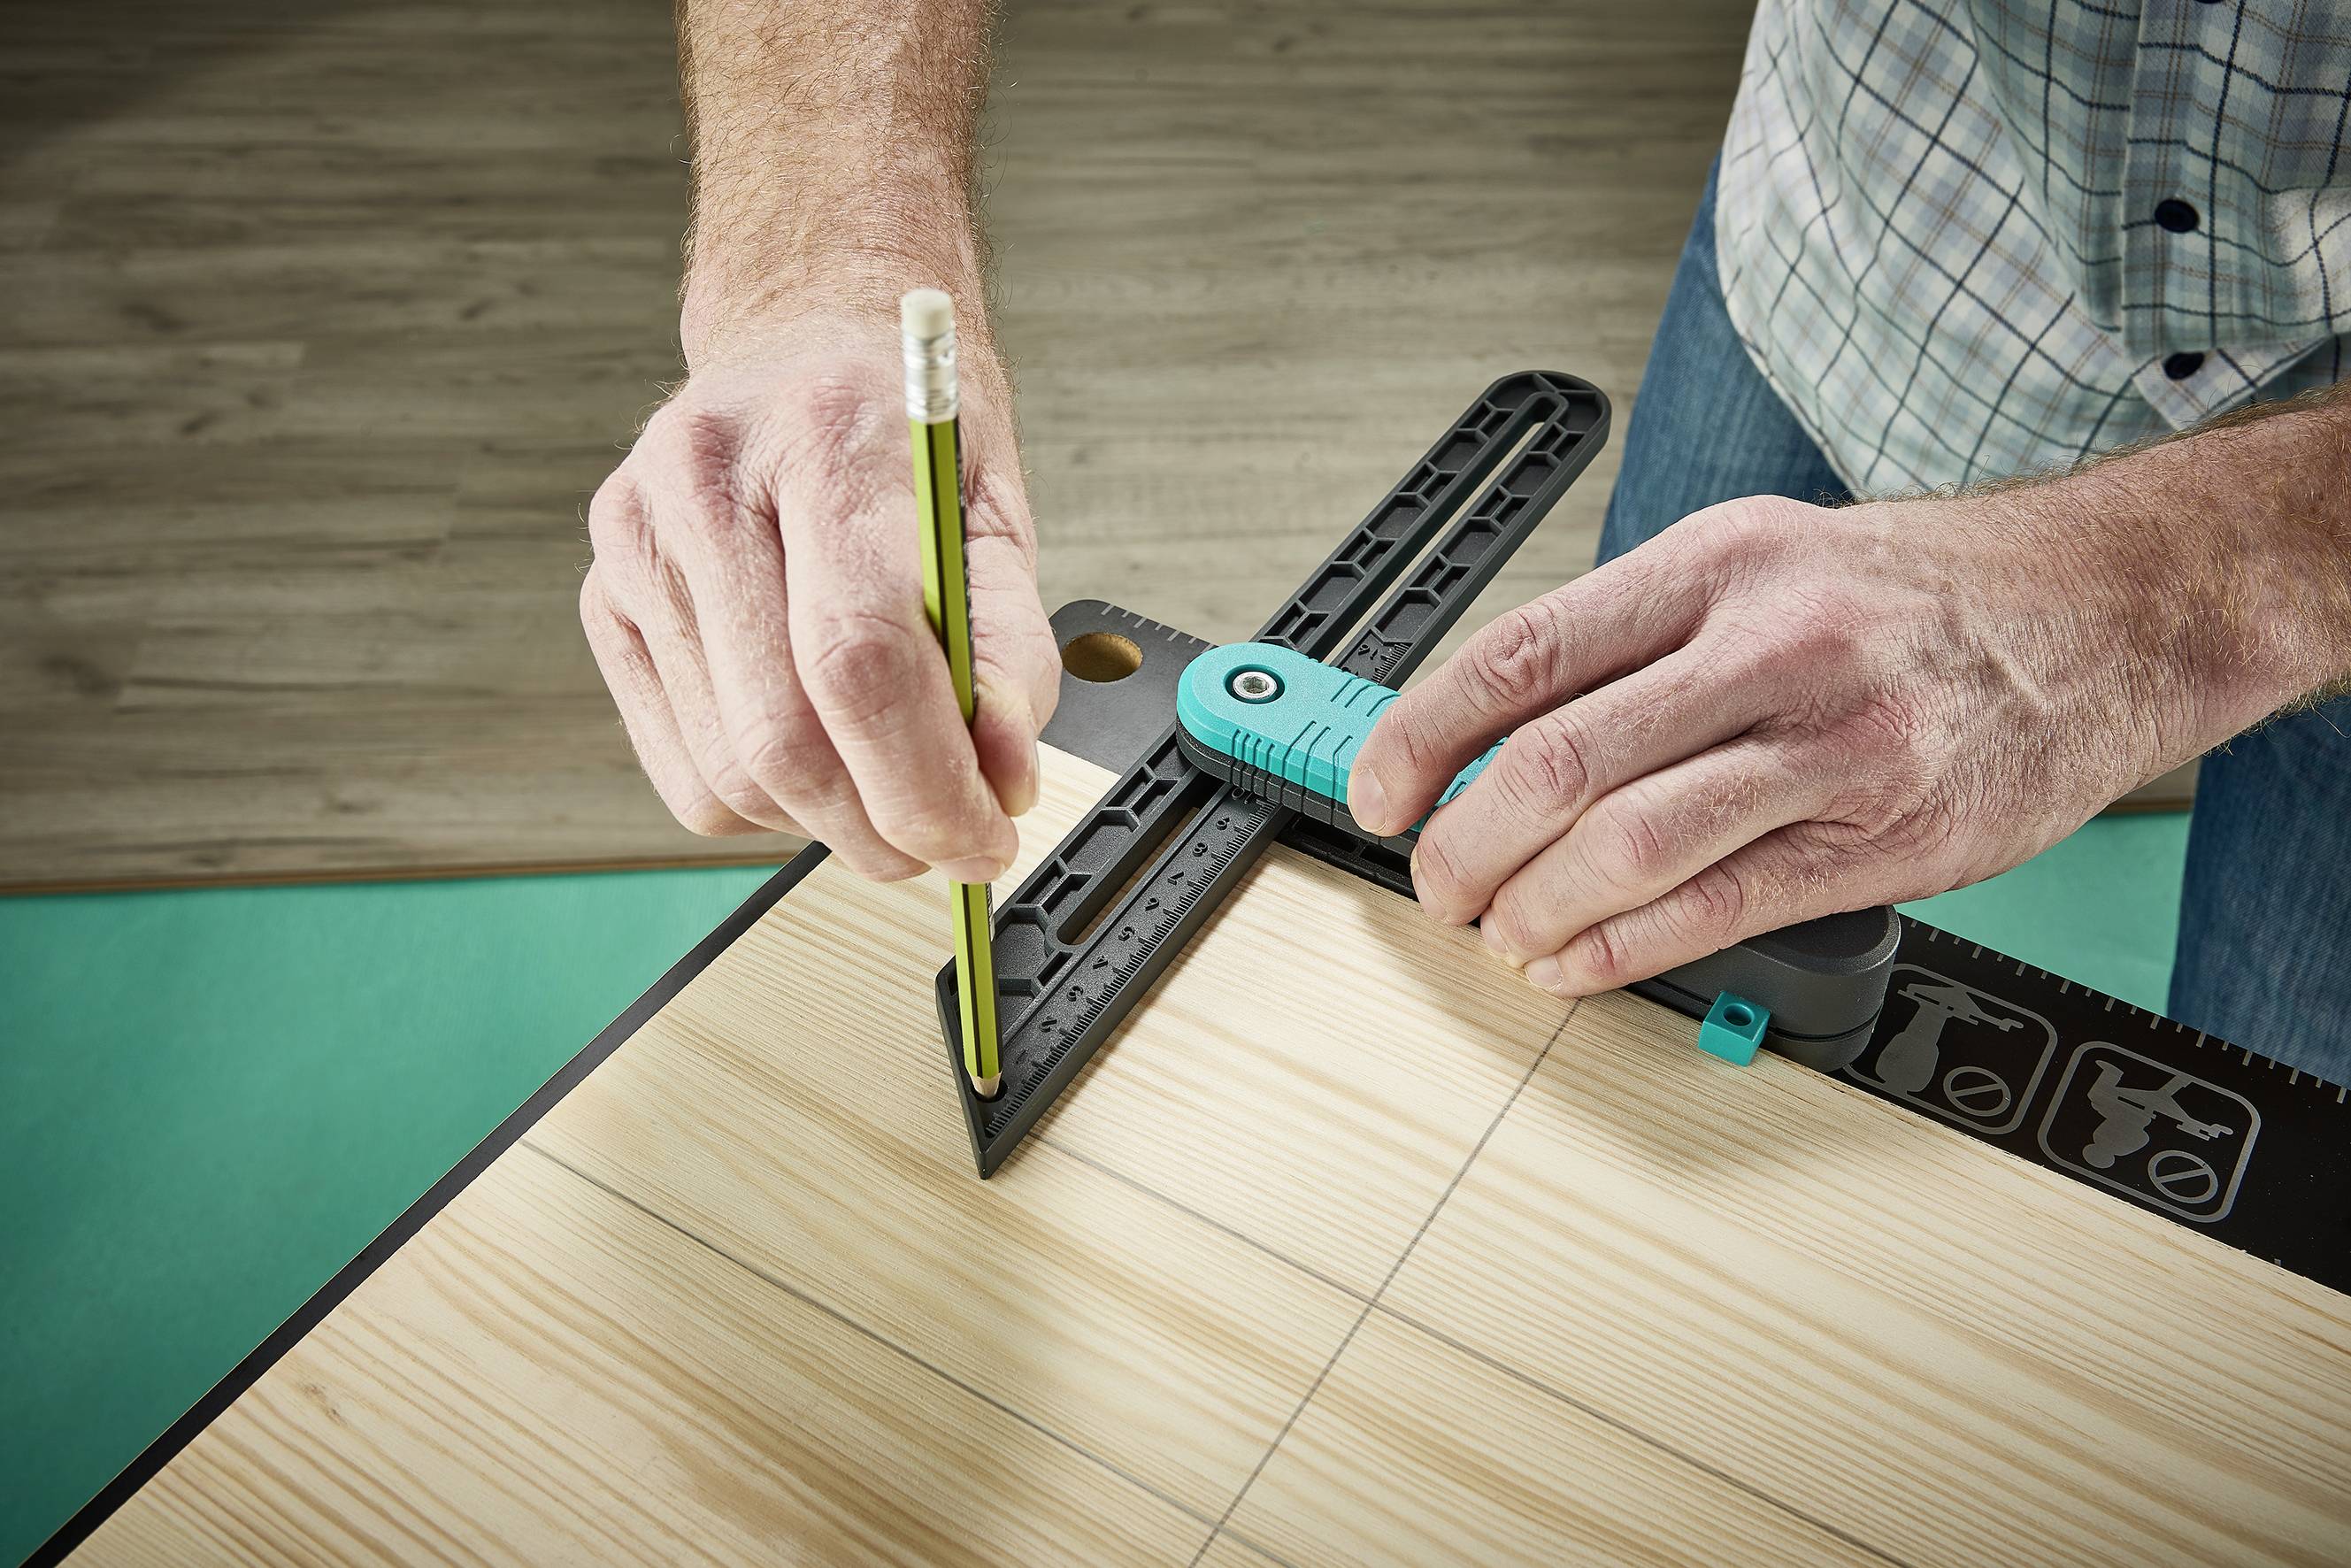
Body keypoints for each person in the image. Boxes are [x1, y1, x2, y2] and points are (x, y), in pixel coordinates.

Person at [581, 0, 2351, 1078]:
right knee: (1592, 969)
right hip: (1857, 253)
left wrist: (2201, 574)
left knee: (2274, 1292)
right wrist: (820, 241)